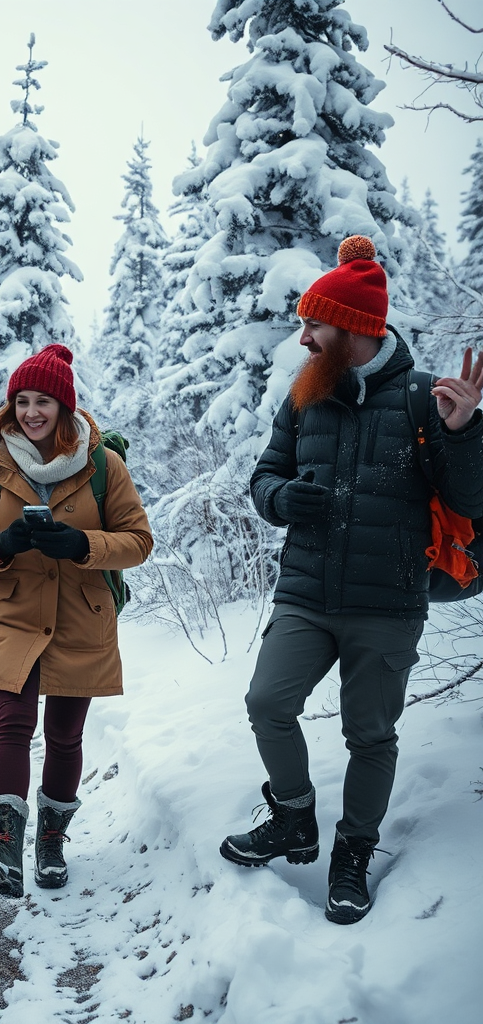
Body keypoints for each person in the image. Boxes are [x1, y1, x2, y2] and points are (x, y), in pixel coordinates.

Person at [219, 236, 483, 925]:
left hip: (389, 601)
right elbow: (263, 478)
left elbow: (472, 501)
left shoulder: (427, 398)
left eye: (314, 324)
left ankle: (354, 854)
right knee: (266, 700)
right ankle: (295, 819)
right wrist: (281, 500)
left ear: (355, 328)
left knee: (370, 735)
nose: (303, 337)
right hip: (305, 591)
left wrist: (463, 431)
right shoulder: (304, 395)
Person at [0, 343, 153, 897]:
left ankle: (52, 844)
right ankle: (5, 849)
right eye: (21, 401)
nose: (31, 412)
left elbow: (139, 542)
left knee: (65, 737)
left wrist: (82, 544)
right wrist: (3, 544)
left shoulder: (102, 465)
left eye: (43, 401)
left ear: (65, 407)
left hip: (81, 617)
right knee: (13, 725)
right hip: (15, 615)